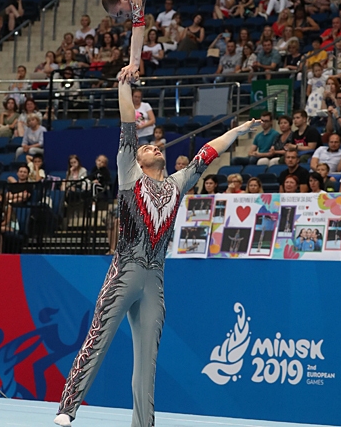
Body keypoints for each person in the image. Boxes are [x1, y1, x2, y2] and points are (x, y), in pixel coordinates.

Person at [55, 67, 246, 424]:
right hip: (124, 273)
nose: (153, 146)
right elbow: (128, 124)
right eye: (147, 146)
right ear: (136, 157)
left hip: (155, 281)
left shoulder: (177, 183)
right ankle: (69, 406)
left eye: (155, 144)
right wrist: (122, 86)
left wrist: (238, 129)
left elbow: (207, 154)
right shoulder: (129, 173)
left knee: (147, 365)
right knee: (99, 339)